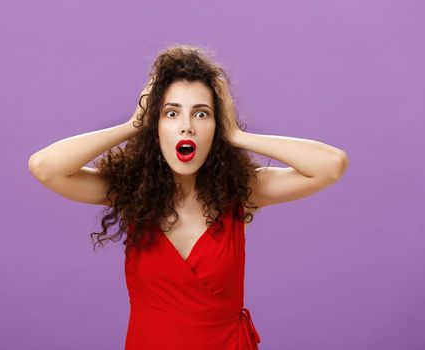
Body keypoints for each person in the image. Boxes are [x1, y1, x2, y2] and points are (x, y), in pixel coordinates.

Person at [27, 45, 348, 349]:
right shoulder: (129, 192)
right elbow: (45, 167)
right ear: (155, 124)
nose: (186, 127)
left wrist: (237, 135)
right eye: (170, 114)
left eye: (201, 114)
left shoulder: (242, 192)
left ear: (216, 125)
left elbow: (330, 166)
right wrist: (133, 125)